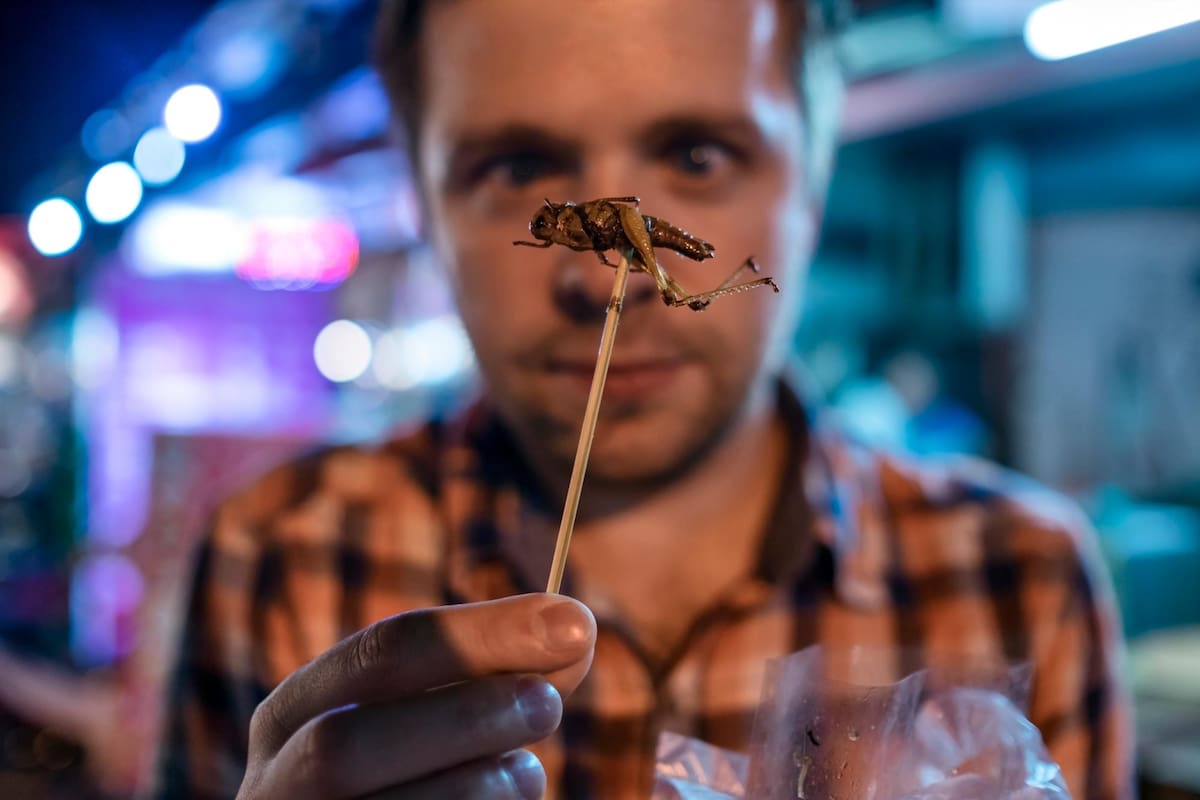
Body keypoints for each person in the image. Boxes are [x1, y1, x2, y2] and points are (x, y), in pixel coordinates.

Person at [158, 0, 1133, 797]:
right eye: (515, 165)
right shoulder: (279, 557)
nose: (610, 281)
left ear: (814, 175)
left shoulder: (1026, 579)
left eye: (699, 156)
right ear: (421, 194)